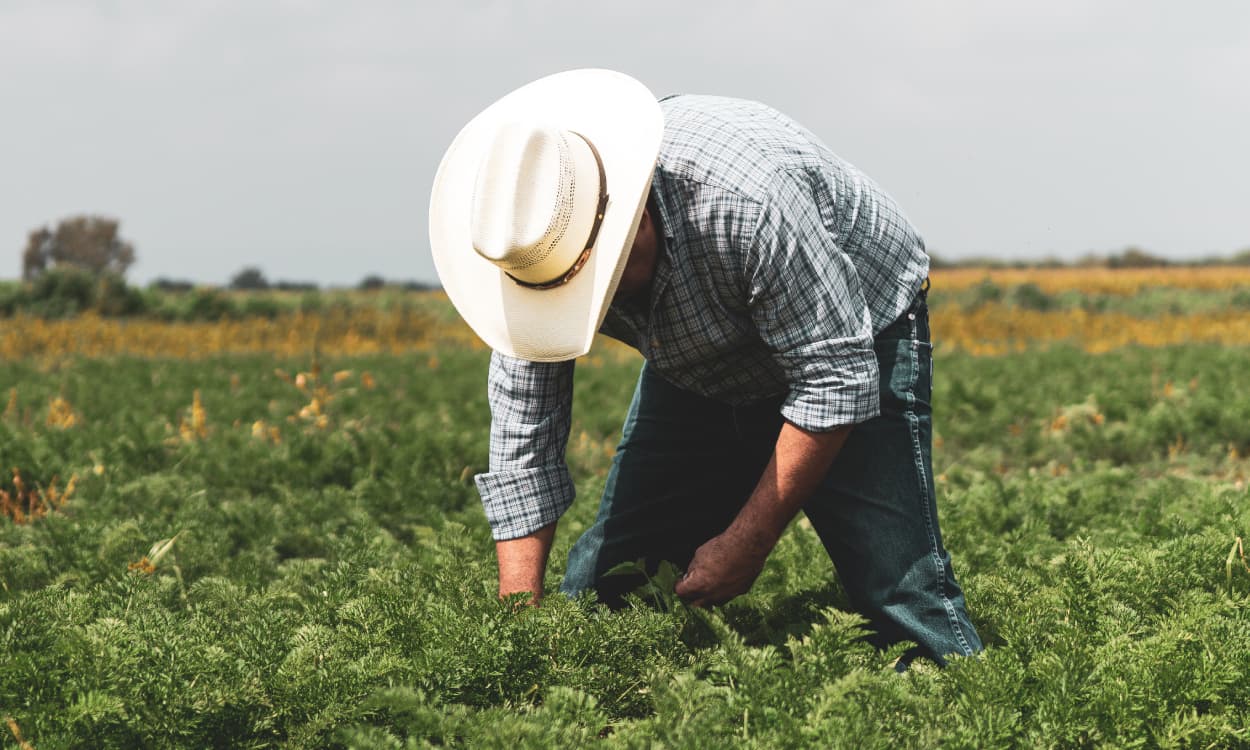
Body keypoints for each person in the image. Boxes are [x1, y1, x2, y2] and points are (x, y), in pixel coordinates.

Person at [429, 69, 982, 665]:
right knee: (609, 588)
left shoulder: (747, 203)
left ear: (635, 216)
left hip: (858, 328)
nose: (597, 299)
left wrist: (748, 541)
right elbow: (524, 443)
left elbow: (835, 379)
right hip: (698, 359)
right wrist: (518, 633)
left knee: (897, 591)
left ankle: (951, 679)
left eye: (602, 279)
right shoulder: (526, 245)